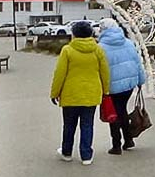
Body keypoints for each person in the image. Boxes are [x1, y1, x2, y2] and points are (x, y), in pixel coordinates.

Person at [50, 21, 109, 166]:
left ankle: (67, 152)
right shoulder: (98, 50)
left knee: (69, 125)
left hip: (70, 94)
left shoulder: (67, 50)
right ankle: (86, 156)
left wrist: (54, 92)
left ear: (74, 34)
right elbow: (105, 72)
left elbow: (60, 74)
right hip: (91, 94)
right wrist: (105, 91)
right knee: (87, 125)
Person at [98, 18, 145, 155]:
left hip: (112, 86)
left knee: (113, 114)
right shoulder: (129, 43)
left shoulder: (101, 47)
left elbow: (100, 69)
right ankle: (128, 139)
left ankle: (116, 144)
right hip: (129, 86)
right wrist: (141, 81)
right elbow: (138, 63)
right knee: (121, 110)